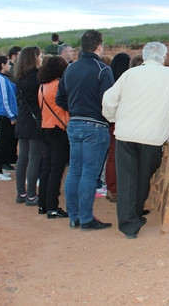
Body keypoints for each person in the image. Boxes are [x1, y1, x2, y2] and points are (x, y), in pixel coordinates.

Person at [103, 42, 169, 239]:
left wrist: (113, 117)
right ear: (163, 58)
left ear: (145, 56)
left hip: (126, 134)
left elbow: (108, 99)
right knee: (142, 178)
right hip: (152, 137)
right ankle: (135, 216)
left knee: (127, 179)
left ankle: (129, 224)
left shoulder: (130, 74)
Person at [56, 30, 114, 230]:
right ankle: (87, 218)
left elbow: (59, 98)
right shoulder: (103, 69)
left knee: (74, 170)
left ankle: (75, 217)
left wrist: (75, 109)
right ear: (99, 46)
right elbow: (108, 101)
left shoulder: (70, 69)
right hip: (95, 125)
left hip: (74, 124)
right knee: (89, 173)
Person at [37, 56, 70, 218]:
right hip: (58, 130)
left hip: (46, 127)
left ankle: (42, 204)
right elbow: (66, 106)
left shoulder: (43, 86)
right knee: (57, 169)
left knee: (47, 168)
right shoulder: (58, 86)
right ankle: (52, 207)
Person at [13, 46, 44, 206]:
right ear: (34, 58)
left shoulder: (20, 78)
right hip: (34, 121)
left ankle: (21, 193)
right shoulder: (38, 78)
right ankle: (31, 195)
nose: (41, 58)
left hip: (23, 119)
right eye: (39, 55)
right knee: (34, 158)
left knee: (23, 158)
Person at [103, 52, 131, 203]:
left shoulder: (110, 80)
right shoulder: (126, 82)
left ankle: (111, 188)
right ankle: (116, 189)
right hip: (121, 122)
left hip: (112, 122)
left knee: (112, 155)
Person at [0, 56, 18, 180]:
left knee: (4, 142)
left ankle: (0, 170)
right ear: (2, 65)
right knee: (1, 143)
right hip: (4, 116)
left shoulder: (2, 78)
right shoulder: (1, 79)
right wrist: (11, 116)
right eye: (8, 64)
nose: (10, 66)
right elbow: (4, 100)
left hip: (4, 115)